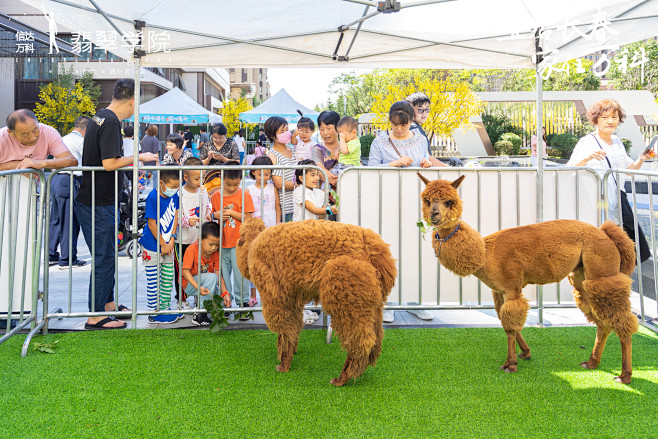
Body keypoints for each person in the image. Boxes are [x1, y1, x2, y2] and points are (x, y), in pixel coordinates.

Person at [76, 78, 159, 330]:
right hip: (98, 201)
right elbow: (109, 163)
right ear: (133, 101)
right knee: (104, 257)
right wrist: (139, 156)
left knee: (108, 255)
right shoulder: (111, 121)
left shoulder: (100, 116)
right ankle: (96, 314)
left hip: (95, 198)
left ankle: (107, 305)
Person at [566, 98, 651, 262]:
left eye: (614, 117)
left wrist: (641, 159)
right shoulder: (587, 141)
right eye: (605, 117)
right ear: (596, 120)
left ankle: (618, 270)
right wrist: (587, 157)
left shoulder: (617, 141)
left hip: (618, 196)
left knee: (633, 238)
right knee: (603, 234)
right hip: (598, 198)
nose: (610, 121)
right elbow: (570, 168)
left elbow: (629, 171)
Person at [139, 165, 183, 324]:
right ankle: (154, 312)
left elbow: (176, 213)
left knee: (167, 278)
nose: (175, 190)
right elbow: (152, 223)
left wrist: (172, 238)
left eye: (177, 187)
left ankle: (164, 308)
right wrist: (163, 244)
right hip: (152, 246)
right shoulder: (153, 197)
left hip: (168, 244)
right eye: (172, 187)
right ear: (162, 183)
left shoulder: (175, 195)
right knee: (154, 280)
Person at [211, 161, 254, 316]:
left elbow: (249, 218)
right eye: (228, 184)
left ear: (240, 181)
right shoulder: (215, 196)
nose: (231, 188)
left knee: (240, 274)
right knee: (223, 274)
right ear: (222, 180)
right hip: (221, 243)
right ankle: (225, 303)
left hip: (239, 243)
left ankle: (243, 303)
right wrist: (215, 215)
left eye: (235, 185)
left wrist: (231, 213)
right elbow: (211, 215)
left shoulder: (244, 194)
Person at [49, 116, 90, 269]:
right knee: (70, 221)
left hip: (56, 180)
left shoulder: (62, 138)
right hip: (69, 181)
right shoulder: (81, 142)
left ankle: (51, 254)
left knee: (57, 219)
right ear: (85, 130)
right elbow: (88, 161)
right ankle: (67, 258)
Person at [174, 157, 212, 305]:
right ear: (185, 177)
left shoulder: (203, 190)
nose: (200, 181)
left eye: (202, 177)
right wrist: (185, 222)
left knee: (199, 269)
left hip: (199, 240)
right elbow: (175, 216)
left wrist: (209, 213)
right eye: (197, 178)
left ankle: (198, 295)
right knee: (182, 271)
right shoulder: (179, 193)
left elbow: (208, 205)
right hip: (182, 240)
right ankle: (181, 299)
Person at [368, 100, 447, 169]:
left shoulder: (420, 140)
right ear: (390, 120)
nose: (399, 128)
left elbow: (426, 159)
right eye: (395, 124)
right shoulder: (379, 142)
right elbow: (371, 169)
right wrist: (393, 164)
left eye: (403, 125)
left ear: (411, 120)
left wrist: (427, 164)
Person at [246, 155, 281, 306]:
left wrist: (278, 223)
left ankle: (271, 294)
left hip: (271, 224)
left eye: (267, 174)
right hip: (256, 227)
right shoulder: (249, 189)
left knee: (272, 261)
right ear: (253, 172)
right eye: (260, 174)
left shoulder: (273, 187)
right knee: (255, 262)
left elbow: (277, 206)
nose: (263, 177)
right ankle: (253, 295)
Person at [182, 221, 230, 326]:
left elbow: (218, 274)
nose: (214, 248)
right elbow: (185, 272)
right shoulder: (191, 249)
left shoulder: (216, 253)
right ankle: (199, 314)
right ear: (200, 240)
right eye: (211, 244)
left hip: (206, 284)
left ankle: (212, 308)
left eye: (217, 245)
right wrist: (198, 287)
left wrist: (225, 293)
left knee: (222, 306)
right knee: (212, 278)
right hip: (190, 285)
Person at [0, 109, 76, 171]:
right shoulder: (1, 137)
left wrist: (42, 163)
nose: (33, 137)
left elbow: (72, 161)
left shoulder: (48, 132)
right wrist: (19, 166)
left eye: (35, 130)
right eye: (25, 134)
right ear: (10, 132)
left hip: (31, 187)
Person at [265, 116, 296, 223]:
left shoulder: (294, 149)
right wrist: (300, 184)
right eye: (282, 131)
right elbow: (279, 183)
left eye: (287, 130)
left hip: (301, 204)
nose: (286, 133)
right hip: (287, 208)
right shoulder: (272, 155)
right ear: (272, 136)